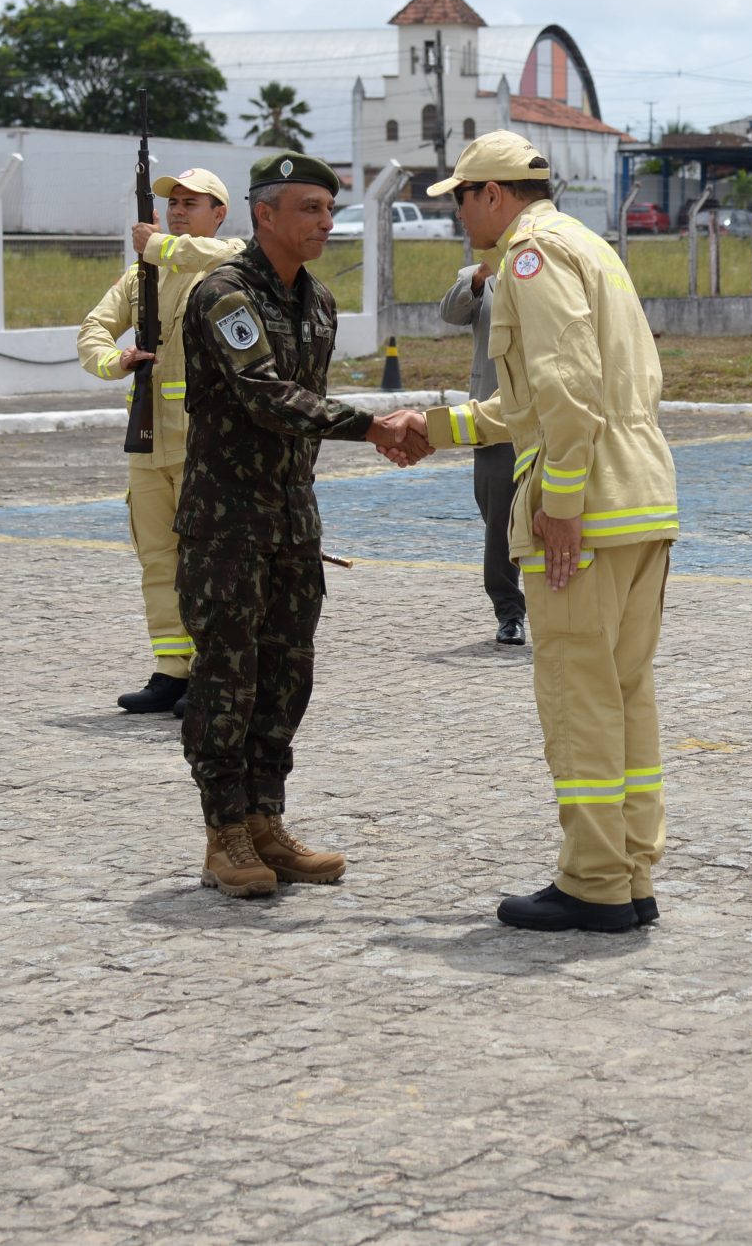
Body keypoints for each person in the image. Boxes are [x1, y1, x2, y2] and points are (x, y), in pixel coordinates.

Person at [409, 132, 678, 934]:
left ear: (493, 194)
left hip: (588, 506)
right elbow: (529, 403)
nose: (458, 213)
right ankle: (630, 870)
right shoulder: (585, 244)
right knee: (625, 694)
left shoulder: (529, 257)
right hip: (639, 496)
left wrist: (559, 502)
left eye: (460, 196)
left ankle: (595, 881)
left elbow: (567, 388)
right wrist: (435, 425)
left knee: (577, 696)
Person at [175, 152, 431, 898]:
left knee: (286, 674)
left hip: (291, 516)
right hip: (226, 520)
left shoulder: (316, 301)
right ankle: (223, 831)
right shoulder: (224, 294)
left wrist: (368, 429)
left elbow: (300, 409)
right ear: (266, 215)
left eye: (330, 208)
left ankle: (265, 821)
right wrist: (374, 425)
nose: (326, 221)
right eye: (311, 208)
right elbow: (265, 395)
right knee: (227, 675)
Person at [75, 167, 245, 716]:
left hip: (204, 443)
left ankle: (212, 668)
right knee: (158, 559)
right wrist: (115, 360)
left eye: (192, 203)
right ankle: (172, 668)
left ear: (218, 214)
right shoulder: (139, 277)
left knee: (208, 562)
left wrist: (163, 247)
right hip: (148, 442)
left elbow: (230, 259)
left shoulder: (231, 261)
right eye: (172, 201)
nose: (177, 209)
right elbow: (92, 330)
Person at [438, 254, 526, 646]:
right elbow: (451, 313)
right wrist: (478, 277)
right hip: (492, 415)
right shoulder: (479, 275)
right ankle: (509, 612)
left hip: (548, 412)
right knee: (498, 520)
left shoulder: (550, 266)